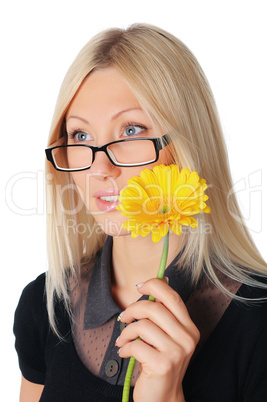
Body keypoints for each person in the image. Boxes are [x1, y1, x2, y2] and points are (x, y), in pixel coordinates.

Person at [13, 23, 267, 402]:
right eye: (81, 136)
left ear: (185, 145)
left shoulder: (258, 323)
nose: (100, 169)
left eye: (130, 130)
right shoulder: (45, 305)